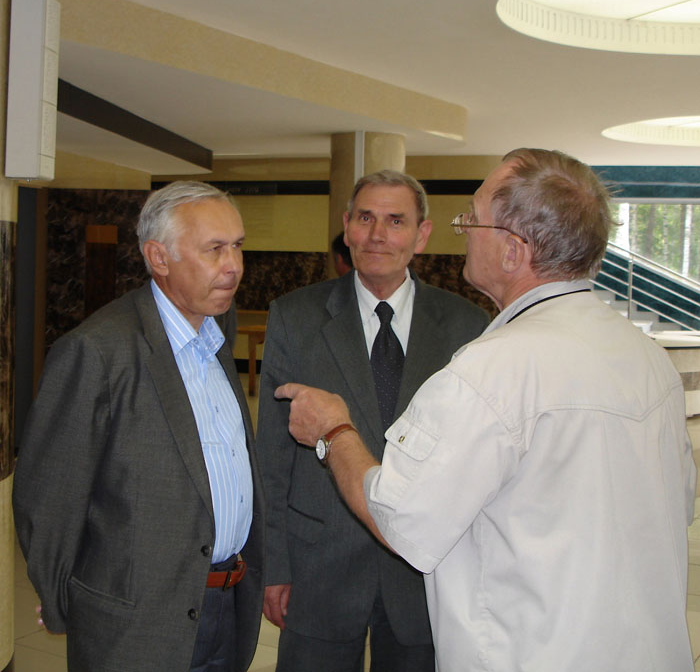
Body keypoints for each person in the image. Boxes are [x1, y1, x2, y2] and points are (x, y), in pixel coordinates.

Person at [277, 149, 697, 672]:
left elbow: (401, 519)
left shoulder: (490, 370)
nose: (464, 233)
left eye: (472, 220)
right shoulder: (647, 358)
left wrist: (335, 430)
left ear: (513, 251)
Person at [13, 181, 265, 672]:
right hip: (136, 627)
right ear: (159, 257)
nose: (233, 265)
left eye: (237, 246)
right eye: (214, 248)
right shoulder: (98, 351)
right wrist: (67, 600)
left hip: (227, 607)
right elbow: (48, 497)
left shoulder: (216, 332)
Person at [256, 169, 489, 671]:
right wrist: (273, 565)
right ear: (346, 227)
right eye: (365, 218)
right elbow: (271, 456)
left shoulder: (467, 327)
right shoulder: (295, 317)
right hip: (318, 565)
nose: (377, 234)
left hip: (424, 571)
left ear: (422, 235)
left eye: (396, 221)